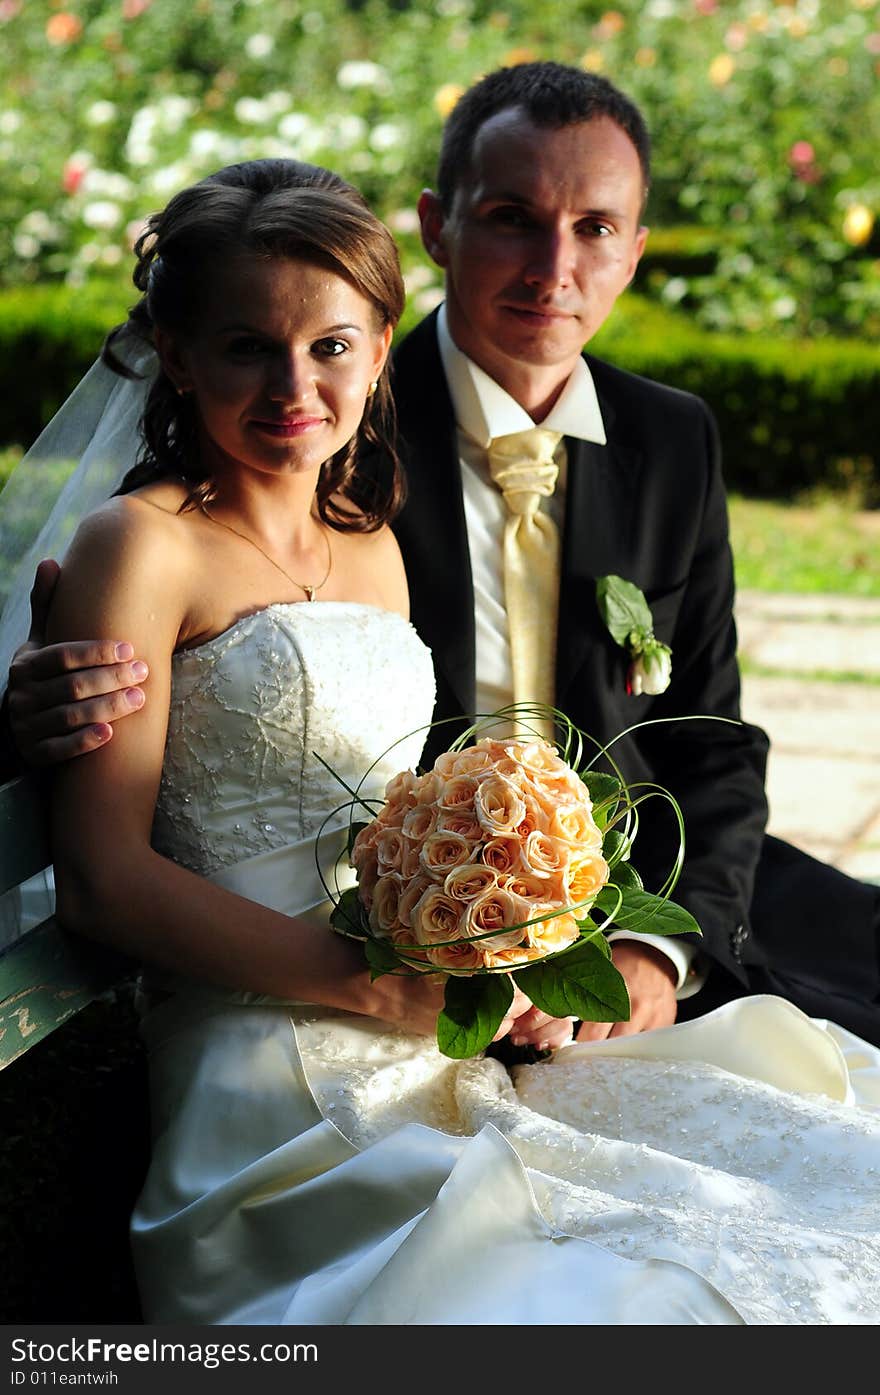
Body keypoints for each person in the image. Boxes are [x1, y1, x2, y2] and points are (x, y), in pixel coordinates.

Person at [2, 154, 880, 1328]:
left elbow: (392, 816)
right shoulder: (138, 549)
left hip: (428, 1023)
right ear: (176, 353)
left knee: (797, 1180)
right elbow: (104, 887)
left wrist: (495, 952)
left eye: (330, 345)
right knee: (612, 1292)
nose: (293, 388)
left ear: (378, 345)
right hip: (265, 1068)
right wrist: (368, 985)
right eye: (244, 347)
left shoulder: (369, 544)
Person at [10, 62, 876, 1046]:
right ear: (437, 226)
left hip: (634, 906)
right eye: (512, 216)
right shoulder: (327, 445)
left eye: (594, 227)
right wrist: (38, 695)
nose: (553, 268)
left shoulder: (672, 440)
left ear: (634, 250)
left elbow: (711, 740)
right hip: (408, 949)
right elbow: (176, 606)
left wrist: (656, 957)